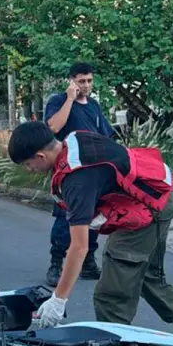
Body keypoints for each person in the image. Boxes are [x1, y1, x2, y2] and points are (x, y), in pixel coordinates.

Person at [7, 121, 173, 338]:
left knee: (111, 293)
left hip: (149, 208)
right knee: (146, 275)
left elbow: (79, 247)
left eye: (27, 164)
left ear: (40, 156)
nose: (29, 170)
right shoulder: (75, 140)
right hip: (160, 193)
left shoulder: (76, 180)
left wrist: (58, 299)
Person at [43, 62, 116, 286]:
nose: (86, 85)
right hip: (69, 170)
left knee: (92, 216)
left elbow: (106, 135)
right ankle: (56, 263)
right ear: (72, 81)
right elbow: (53, 127)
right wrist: (69, 99)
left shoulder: (93, 105)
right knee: (66, 217)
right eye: (81, 81)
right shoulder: (59, 101)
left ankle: (87, 263)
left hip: (93, 170)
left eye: (89, 81)